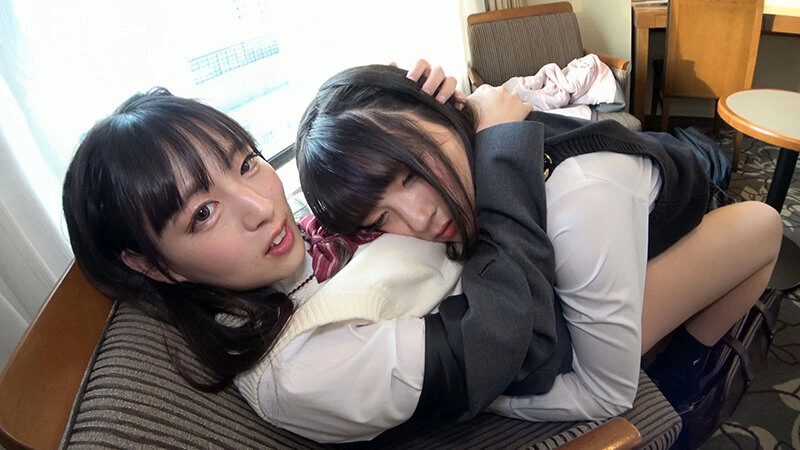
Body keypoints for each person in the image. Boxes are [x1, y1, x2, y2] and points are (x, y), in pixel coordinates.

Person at [61, 61, 585, 443]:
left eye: (246, 163)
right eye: (203, 213)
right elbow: (510, 343)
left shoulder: (293, 244)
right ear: (153, 266)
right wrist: (496, 150)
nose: (262, 207)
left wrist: (423, 115)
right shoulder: (302, 368)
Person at [294, 64, 783, 422]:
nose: (420, 217)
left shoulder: (577, 202)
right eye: (381, 217)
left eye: (411, 172)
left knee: (763, 223)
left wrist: (475, 396)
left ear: (444, 110)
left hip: (683, 193)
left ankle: (686, 384)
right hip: (614, 191)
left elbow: (607, 392)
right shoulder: (457, 152)